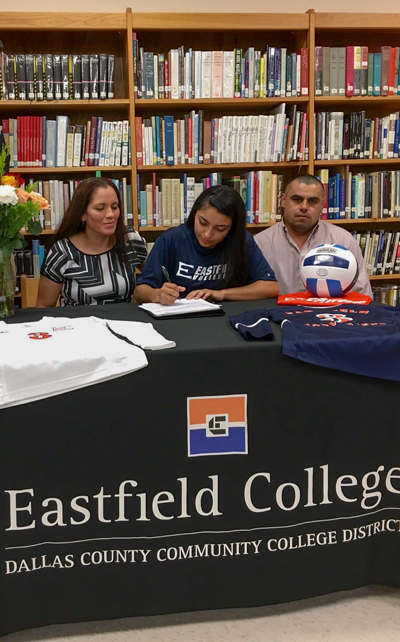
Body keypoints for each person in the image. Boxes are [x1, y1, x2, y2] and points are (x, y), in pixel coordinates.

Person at [134, 185, 279, 305]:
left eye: (220, 229)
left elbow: (271, 287)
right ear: (194, 214)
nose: (207, 234)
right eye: (203, 223)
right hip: (179, 317)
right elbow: (140, 291)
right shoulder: (172, 239)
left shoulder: (242, 241)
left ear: (232, 229)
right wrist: (158, 295)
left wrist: (221, 294)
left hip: (228, 317)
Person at [254, 174, 373, 297]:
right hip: (276, 315)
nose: (304, 207)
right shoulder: (260, 244)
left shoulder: (343, 241)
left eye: (312, 201)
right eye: (297, 199)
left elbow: (361, 296)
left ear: (322, 205)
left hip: (330, 314)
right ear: (283, 200)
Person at [37, 177, 147, 307]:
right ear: (82, 214)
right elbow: (43, 306)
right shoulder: (62, 251)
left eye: (115, 207)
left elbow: (155, 278)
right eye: (100, 208)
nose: (111, 214)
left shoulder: (130, 239)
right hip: (78, 324)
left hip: (124, 323)